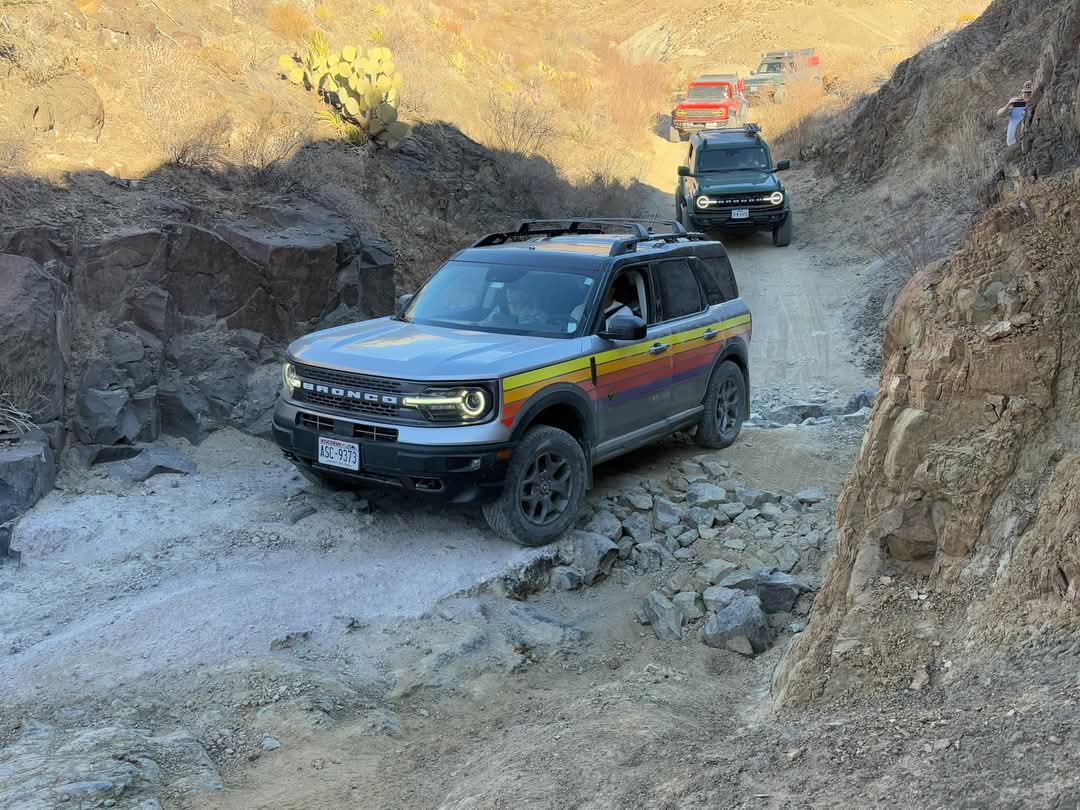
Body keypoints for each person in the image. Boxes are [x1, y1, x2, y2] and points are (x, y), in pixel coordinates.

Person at [997, 81, 1032, 147]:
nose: (1026, 94)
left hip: (1028, 142)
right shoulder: (1015, 102)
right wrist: (1007, 107)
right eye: (1025, 92)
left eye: (1029, 93)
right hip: (1012, 145)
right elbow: (999, 114)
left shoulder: (1037, 104)